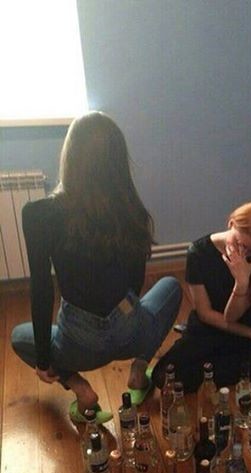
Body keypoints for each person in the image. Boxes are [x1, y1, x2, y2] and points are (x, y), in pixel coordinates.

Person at [11, 112, 183, 423]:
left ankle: (80, 388)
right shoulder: (131, 209)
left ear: (70, 156)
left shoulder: (38, 214)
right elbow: (135, 283)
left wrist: (45, 360)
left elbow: (42, 290)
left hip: (78, 345)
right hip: (129, 330)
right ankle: (138, 371)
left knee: (19, 336)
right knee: (170, 286)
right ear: (117, 162)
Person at [152, 201, 251, 392]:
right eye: (239, 243)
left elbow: (232, 316)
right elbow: (205, 314)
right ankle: (237, 371)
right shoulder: (198, 252)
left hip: (243, 325)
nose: (243, 252)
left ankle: (211, 372)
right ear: (231, 224)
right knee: (162, 376)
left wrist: (241, 283)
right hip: (207, 329)